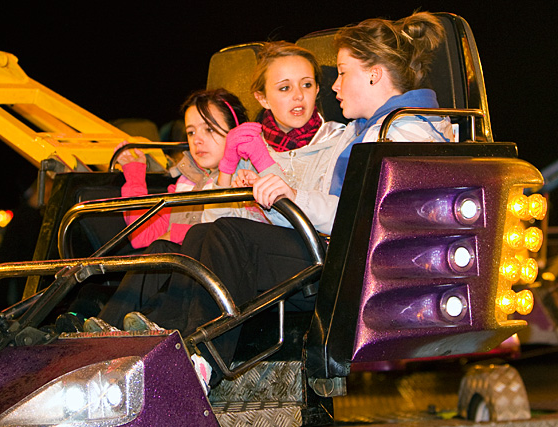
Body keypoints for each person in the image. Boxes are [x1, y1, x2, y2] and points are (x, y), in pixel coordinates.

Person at [99, 11, 455, 389]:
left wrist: (288, 194)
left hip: (354, 268)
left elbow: (363, 217)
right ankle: (154, 346)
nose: (334, 86)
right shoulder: (369, 131)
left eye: (341, 72)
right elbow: (334, 205)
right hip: (333, 249)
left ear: (373, 73)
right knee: (200, 237)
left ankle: (204, 362)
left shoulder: (400, 134)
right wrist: (266, 190)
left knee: (226, 237)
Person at [89, 88, 268, 328]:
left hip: (219, 279)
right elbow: (143, 235)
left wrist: (174, 235)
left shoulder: (245, 177)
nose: (198, 140)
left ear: (234, 131)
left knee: (165, 247)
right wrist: (134, 175)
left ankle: (111, 330)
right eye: (191, 132)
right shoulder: (186, 182)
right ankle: (101, 327)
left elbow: (234, 229)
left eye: (209, 129)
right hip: (180, 274)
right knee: (90, 291)